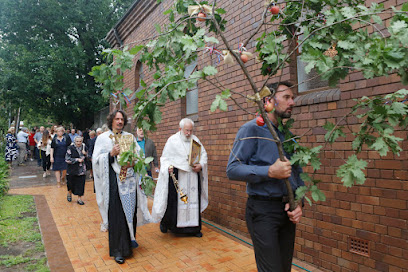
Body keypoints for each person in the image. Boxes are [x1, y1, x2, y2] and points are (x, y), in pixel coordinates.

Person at [226, 81, 304, 272]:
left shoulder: (289, 136)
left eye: (292, 97)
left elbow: (298, 176)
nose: (292, 102)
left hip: (287, 211)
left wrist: (300, 203)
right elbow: (232, 169)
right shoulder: (251, 130)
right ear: (269, 100)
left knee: (284, 268)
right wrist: (269, 171)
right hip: (262, 211)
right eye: (286, 97)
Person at [92, 110, 151, 264]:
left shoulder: (129, 137)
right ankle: (118, 250)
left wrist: (136, 161)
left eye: (121, 119)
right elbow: (95, 161)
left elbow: (139, 155)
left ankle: (129, 241)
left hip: (129, 181)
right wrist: (110, 154)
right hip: (114, 182)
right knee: (117, 215)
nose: (119, 122)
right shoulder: (103, 138)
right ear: (111, 120)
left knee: (129, 212)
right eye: (117, 119)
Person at [152, 118, 208, 238]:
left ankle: (193, 228)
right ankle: (169, 225)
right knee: (173, 203)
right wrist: (168, 167)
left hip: (192, 176)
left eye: (190, 131)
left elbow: (203, 155)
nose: (188, 133)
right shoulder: (172, 141)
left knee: (193, 202)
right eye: (186, 130)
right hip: (177, 176)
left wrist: (201, 165)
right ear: (180, 129)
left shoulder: (195, 140)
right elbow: (165, 158)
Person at [66, 136, 87, 205]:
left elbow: (90, 156)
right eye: (77, 141)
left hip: (81, 170)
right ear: (74, 141)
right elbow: (67, 159)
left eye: (80, 141)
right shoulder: (70, 148)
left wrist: (85, 154)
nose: (79, 143)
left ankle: (79, 199)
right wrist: (77, 160)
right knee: (71, 184)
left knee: (81, 184)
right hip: (72, 170)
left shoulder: (84, 147)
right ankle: (69, 193)